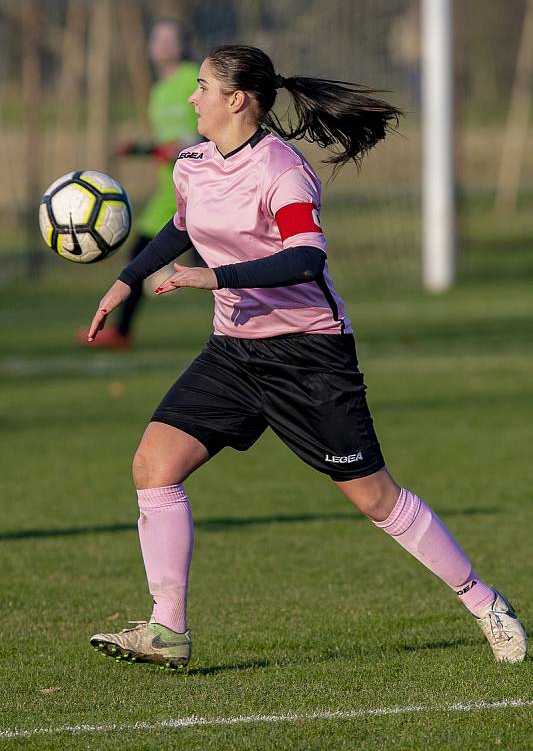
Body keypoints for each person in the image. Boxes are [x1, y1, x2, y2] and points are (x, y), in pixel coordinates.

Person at [87, 45, 527, 671]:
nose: (192, 97)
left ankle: (484, 602)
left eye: (203, 87)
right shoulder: (192, 162)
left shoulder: (282, 170)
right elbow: (182, 227)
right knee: (154, 466)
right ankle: (168, 630)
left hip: (309, 356)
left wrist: (213, 280)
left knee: (374, 498)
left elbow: (305, 257)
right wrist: (128, 278)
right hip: (233, 352)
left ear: (237, 99)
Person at [78, 18, 200, 350]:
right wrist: (138, 148)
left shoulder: (195, 78)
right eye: (156, 38)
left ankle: (122, 331)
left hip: (202, 189)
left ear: (182, 44)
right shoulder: (158, 92)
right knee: (143, 256)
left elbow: (203, 132)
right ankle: (122, 332)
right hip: (170, 193)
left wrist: (188, 146)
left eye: (168, 38)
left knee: (224, 261)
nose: (161, 44)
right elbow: (165, 143)